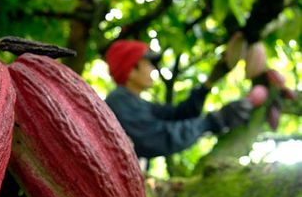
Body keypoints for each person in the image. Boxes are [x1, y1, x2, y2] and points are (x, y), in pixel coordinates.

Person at [104, 40, 252, 160]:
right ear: (131, 70)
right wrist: (212, 121)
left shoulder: (136, 102)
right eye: (149, 64)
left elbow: (178, 114)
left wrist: (208, 84)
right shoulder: (119, 101)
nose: (153, 70)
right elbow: (157, 138)